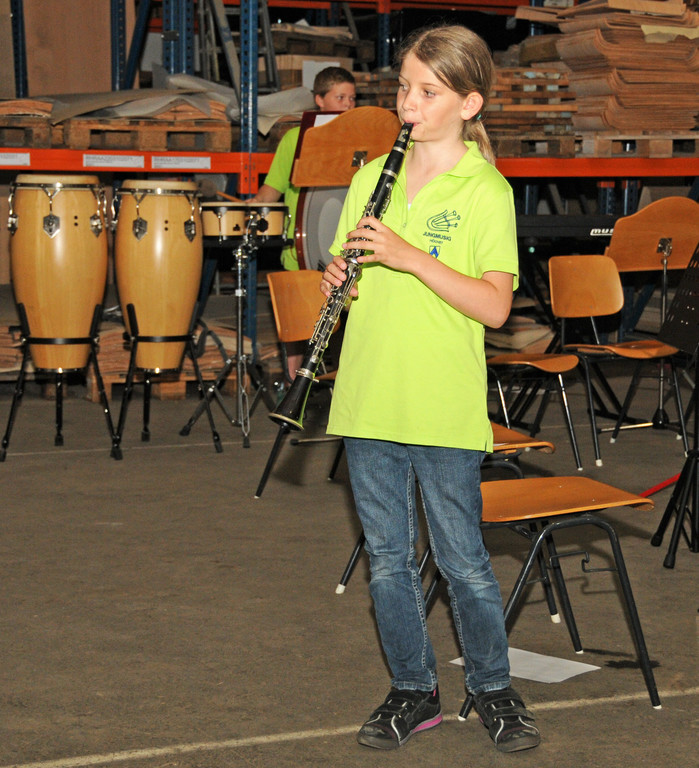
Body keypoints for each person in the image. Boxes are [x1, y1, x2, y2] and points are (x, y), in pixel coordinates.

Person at [320, 25, 541, 754]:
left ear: (468, 103)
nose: (407, 104)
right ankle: (413, 689)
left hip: (441, 401)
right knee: (387, 561)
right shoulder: (369, 180)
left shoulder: (485, 190)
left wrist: (410, 256)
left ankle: (493, 687)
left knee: (463, 562)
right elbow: (353, 284)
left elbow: (495, 307)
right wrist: (338, 282)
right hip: (370, 395)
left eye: (427, 92)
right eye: (403, 89)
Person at [250, 66, 357, 271]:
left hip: (346, 249)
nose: (348, 105)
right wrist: (256, 203)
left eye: (352, 98)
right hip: (301, 248)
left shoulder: (363, 141)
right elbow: (273, 189)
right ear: (319, 100)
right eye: (340, 97)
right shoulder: (295, 139)